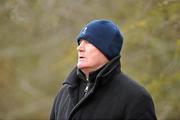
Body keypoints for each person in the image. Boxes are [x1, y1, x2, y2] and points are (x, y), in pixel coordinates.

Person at [50, 19, 157, 120]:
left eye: (88, 42)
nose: (80, 48)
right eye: (80, 42)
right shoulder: (63, 94)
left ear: (107, 49)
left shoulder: (135, 98)